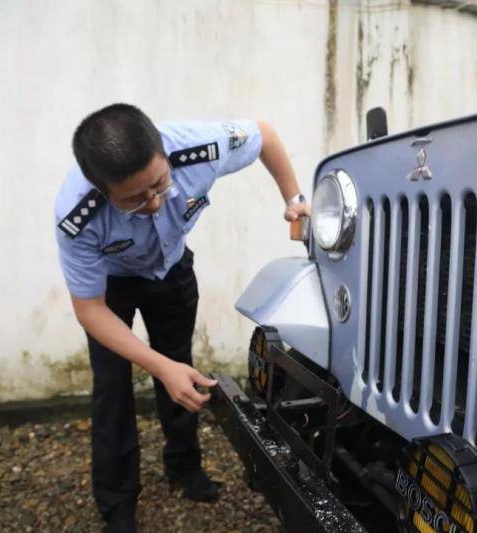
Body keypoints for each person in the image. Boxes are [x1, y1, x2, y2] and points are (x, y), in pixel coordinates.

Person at [53, 103, 309, 532]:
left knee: (179, 363)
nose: (154, 203)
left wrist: (294, 199)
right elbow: (89, 309)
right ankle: (116, 502)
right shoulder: (77, 217)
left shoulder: (200, 147)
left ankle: (185, 466)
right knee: (112, 386)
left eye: (159, 184)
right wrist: (157, 366)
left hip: (172, 270)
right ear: (101, 190)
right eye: (134, 200)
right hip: (111, 288)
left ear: (163, 151)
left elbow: (264, 133)